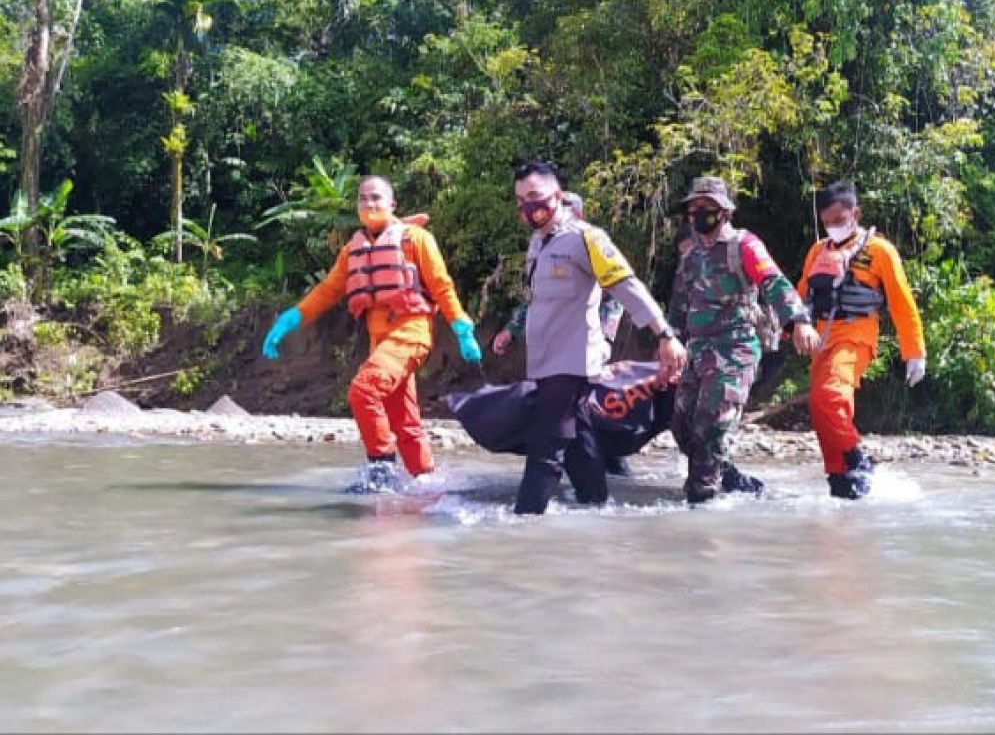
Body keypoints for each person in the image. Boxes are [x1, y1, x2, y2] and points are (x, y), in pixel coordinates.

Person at [261, 175, 482, 492]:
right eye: (363, 199)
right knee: (404, 421)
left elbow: (441, 286)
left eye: (376, 198)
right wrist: (290, 319)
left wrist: (462, 327)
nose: (369, 204)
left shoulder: (416, 239)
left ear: (393, 204)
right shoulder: (353, 249)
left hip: (411, 331)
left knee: (363, 391)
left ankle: (381, 471)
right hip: (380, 340)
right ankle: (428, 486)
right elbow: (327, 290)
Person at [492, 161, 687, 515]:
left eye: (535, 196)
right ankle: (598, 509)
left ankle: (523, 525)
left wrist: (664, 333)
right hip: (545, 360)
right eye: (520, 200)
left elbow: (626, 285)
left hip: (572, 361)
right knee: (580, 439)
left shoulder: (587, 238)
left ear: (559, 195)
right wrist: (512, 331)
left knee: (545, 445)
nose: (528, 206)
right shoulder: (538, 243)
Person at [667, 176, 821, 504]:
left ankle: (700, 507)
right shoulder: (690, 255)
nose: (697, 214)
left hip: (733, 348)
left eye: (705, 208)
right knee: (682, 426)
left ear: (723, 212)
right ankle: (731, 479)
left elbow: (773, 282)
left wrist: (798, 322)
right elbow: (680, 304)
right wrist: (669, 342)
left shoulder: (743, 245)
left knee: (710, 428)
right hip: (697, 351)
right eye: (692, 208)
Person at [795, 180, 926, 500]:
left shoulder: (880, 251)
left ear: (856, 213)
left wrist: (914, 352)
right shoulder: (818, 251)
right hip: (821, 338)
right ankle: (842, 482)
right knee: (821, 408)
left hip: (856, 335)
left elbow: (901, 301)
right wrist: (789, 328)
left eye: (839, 220)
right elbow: (800, 296)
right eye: (827, 222)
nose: (833, 227)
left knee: (829, 398)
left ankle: (858, 458)